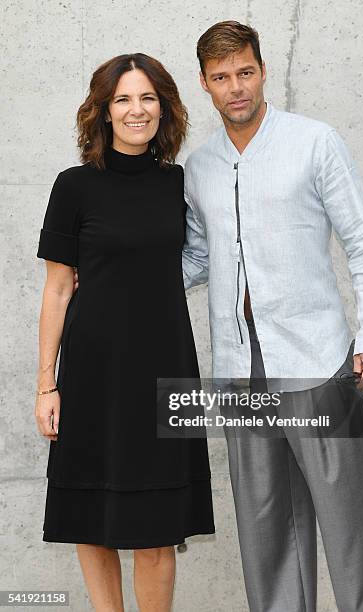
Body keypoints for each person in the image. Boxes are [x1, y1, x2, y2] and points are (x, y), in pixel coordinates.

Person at [182, 20, 363, 612]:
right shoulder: (199, 166)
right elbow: (197, 259)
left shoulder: (315, 141)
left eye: (246, 73)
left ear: (263, 69)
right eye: (222, 77)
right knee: (266, 530)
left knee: (352, 520)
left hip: (317, 362)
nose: (237, 88)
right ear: (205, 83)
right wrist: (113, 271)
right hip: (240, 370)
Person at [35, 52, 215, 612]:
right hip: (92, 373)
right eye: (123, 99)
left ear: (164, 109)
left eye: (147, 98)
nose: (136, 110)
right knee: (92, 519)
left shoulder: (181, 184)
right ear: (104, 111)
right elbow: (58, 290)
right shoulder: (73, 186)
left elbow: (208, 256)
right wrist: (46, 384)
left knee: (159, 530)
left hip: (167, 369)